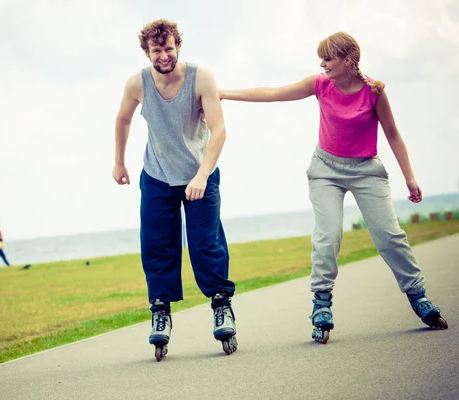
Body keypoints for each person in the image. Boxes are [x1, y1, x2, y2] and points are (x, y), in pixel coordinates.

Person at [219, 32, 448, 343]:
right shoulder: (320, 84)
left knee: (390, 237)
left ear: (348, 60)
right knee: (329, 237)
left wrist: (409, 177)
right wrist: (223, 93)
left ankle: (418, 296)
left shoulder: (374, 92)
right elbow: (273, 92)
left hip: (367, 170)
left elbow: (392, 134)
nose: (322, 63)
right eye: (321, 58)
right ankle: (321, 303)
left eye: (328, 58)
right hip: (326, 170)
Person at [113, 19, 237, 361]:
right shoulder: (137, 83)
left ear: (178, 46)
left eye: (169, 48)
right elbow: (122, 119)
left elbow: (219, 129)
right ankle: (160, 311)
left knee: (205, 244)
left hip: (201, 173)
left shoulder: (202, 78)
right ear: (146, 52)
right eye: (157, 50)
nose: (164, 55)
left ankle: (221, 306)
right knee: (157, 245)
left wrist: (202, 175)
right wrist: (119, 162)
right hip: (156, 176)